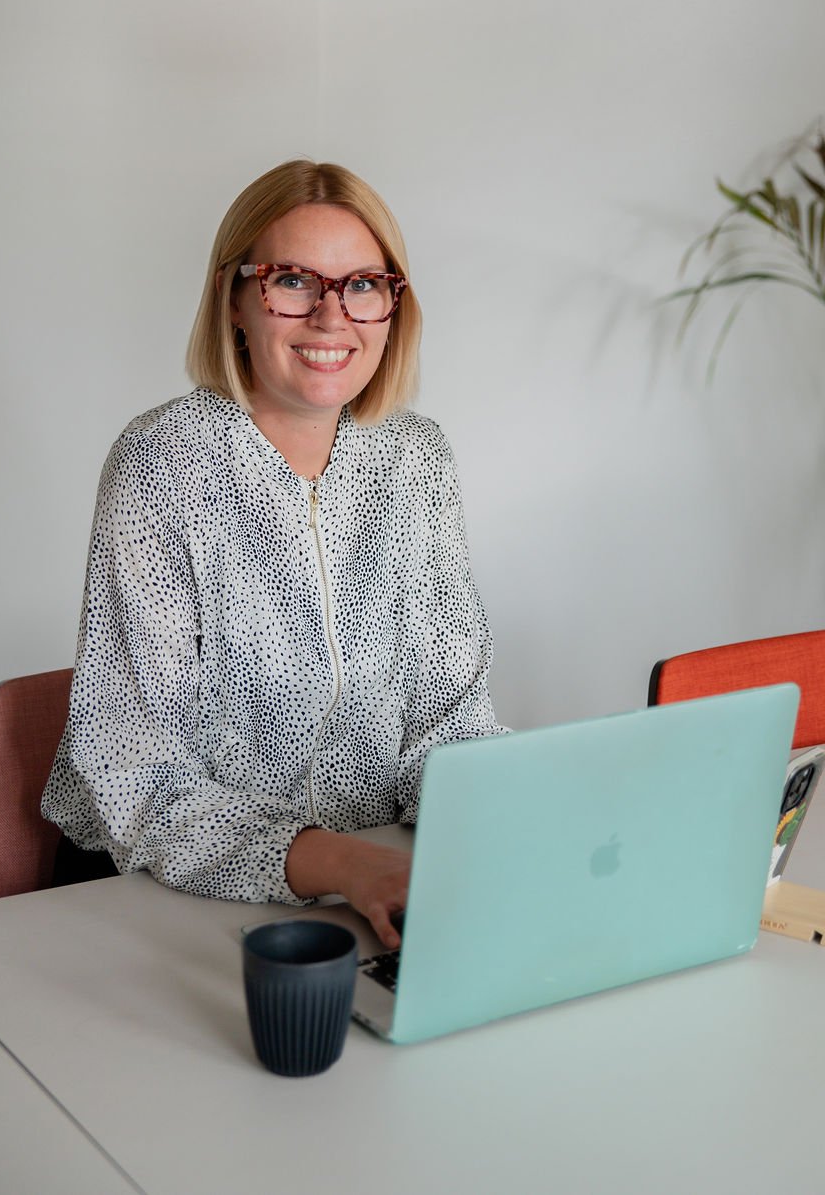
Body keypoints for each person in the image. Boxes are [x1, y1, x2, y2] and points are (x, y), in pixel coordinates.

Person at [42, 159, 503, 948]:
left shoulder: (417, 458)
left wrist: (509, 824)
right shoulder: (160, 464)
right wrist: (337, 863)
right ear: (235, 302)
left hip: (377, 880)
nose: (332, 317)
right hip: (163, 890)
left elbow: (450, 715)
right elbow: (138, 773)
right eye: (293, 281)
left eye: (362, 284)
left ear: (394, 305)